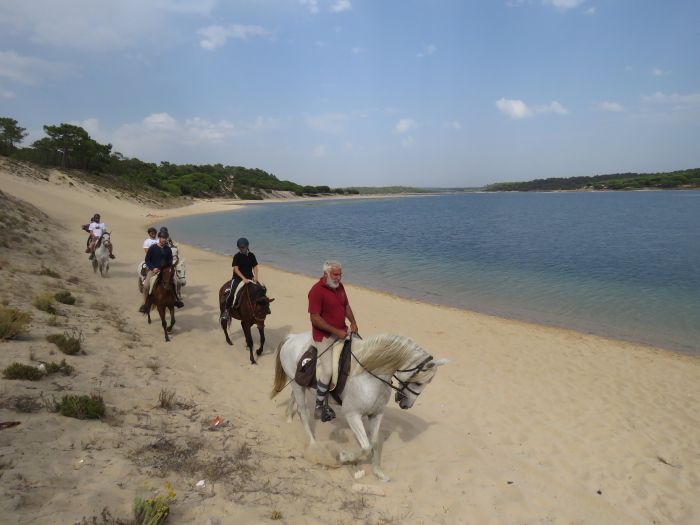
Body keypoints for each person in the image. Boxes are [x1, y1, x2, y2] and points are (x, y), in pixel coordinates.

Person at [307, 260, 358, 422]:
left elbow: (346, 305)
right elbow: (315, 318)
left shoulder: (339, 287)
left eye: (340, 274)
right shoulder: (316, 291)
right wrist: (336, 332)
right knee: (328, 371)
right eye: (335, 274)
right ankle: (319, 405)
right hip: (324, 337)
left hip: (343, 331)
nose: (339, 277)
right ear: (326, 273)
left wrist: (353, 322)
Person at [139, 230, 184, 312]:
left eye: (165, 238)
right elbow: (147, 260)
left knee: (177, 282)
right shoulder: (153, 248)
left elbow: (170, 261)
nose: (164, 239)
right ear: (159, 238)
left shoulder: (168, 249)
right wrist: (153, 268)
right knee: (146, 286)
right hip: (154, 270)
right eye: (163, 238)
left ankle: (176, 300)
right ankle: (145, 303)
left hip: (165, 270)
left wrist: (168, 268)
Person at [221, 237, 259, 321]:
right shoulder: (237, 256)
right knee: (232, 293)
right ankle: (226, 311)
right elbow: (236, 269)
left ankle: (260, 309)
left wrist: (256, 276)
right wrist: (243, 278)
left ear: (247, 246)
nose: (242, 249)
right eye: (240, 248)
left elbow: (255, 266)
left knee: (261, 289)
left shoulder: (251, 255)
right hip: (237, 279)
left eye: (243, 247)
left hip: (250, 278)